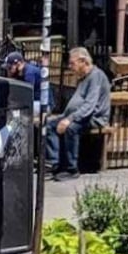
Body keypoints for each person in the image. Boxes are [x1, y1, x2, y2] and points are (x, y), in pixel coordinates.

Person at [46, 47, 111, 179]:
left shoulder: (96, 76)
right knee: (49, 126)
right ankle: (54, 163)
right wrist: (64, 117)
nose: (70, 67)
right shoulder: (83, 78)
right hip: (78, 116)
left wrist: (69, 119)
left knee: (71, 128)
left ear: (83, 61)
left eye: (72, 63)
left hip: (94, 117)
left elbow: (89, 106)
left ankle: (72, 169)